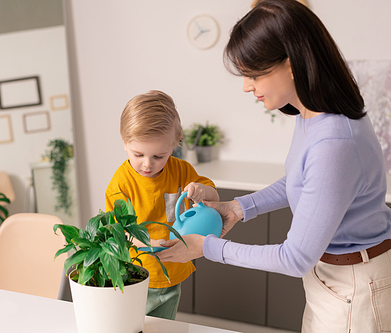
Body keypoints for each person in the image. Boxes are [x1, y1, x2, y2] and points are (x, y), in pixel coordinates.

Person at [157, 1, 391, 332]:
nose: (246, 86)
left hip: (355, 288)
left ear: (291, 63)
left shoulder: (334, 142)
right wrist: (237, 208)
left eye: (254, 74)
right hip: (333, 280)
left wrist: (205, 247)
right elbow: (300, 181)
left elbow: (294, 258)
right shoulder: (314, 115)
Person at [105, 90, 219, 320]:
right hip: (136, 275)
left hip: (173, 269)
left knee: (164, 325)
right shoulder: (121, 184)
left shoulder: (182, 170)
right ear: (125, 143)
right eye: (138, 154)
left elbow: (213, 197)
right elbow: (117, 234)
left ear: (173, 146)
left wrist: (202, 190)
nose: (147, 164)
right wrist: (147, 243)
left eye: (159, 156)